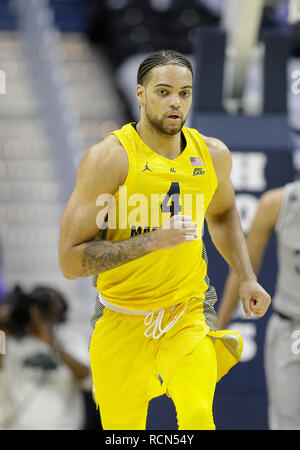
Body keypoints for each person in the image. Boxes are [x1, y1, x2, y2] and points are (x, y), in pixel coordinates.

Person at [58, 49, 271, 430]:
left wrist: (247, 276)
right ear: (140, 94)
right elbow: (71, 261)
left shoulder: (212, 155)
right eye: (164, 91)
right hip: (121, 317)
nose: (176, 102)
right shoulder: (110, 158)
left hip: (185, 313)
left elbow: (222, 214)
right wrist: (153, 240)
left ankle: (203, 346)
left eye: (185, 93)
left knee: (196, 416)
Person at [217, 180, 300, 430]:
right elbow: (244, 273)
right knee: (287, 423)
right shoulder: (278, 203)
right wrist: (218, 332)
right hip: (292, 328)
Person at [0, 285, 92, 430]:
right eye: (35, 307)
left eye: (45, 306)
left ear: (60, 311)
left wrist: (52, 343)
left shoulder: (71, 339)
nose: (39, 313)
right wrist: (3, 328)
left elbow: (89, 380)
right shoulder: (12, 340)